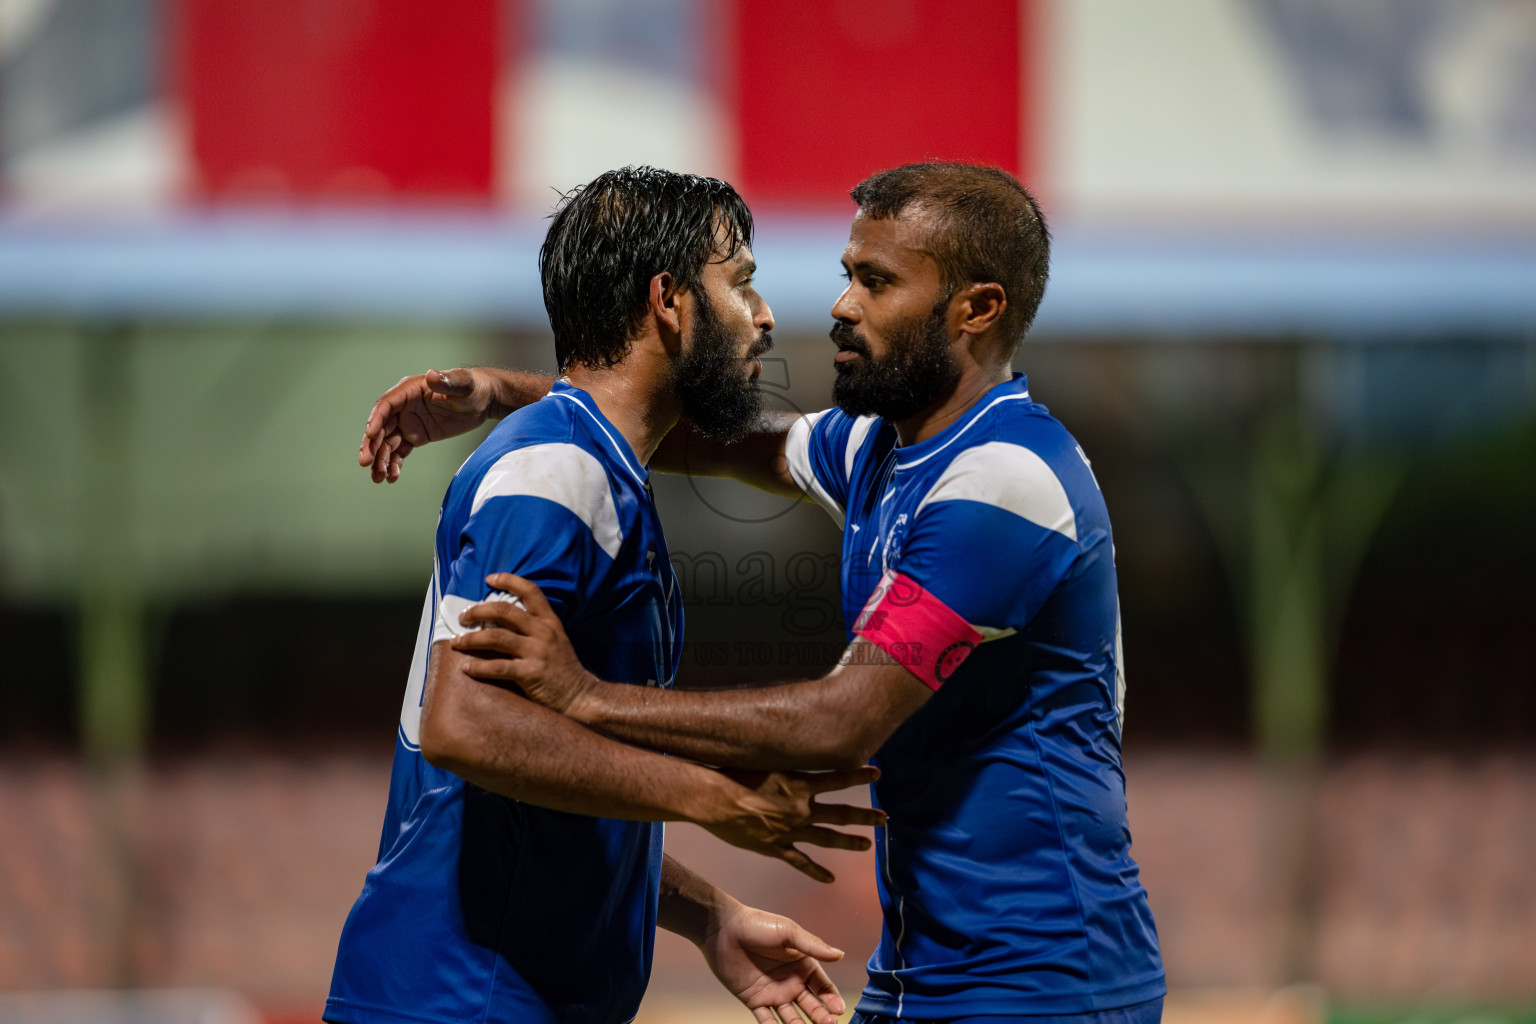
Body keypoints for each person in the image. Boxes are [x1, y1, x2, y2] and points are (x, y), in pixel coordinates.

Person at [362, 162, 1165, 1023]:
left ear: (978, 309)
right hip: (927, 971)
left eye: (877, 281)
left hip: (1044, 978)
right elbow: (717, 438)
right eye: (847, 275)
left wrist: (587, 698)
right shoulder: (878, 458)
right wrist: (500, 390)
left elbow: (838, 721)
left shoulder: (1005, 480)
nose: (839, 306)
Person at [328, 166, 884, 1024]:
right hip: (459, 1004)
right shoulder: (556, 473)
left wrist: (708, 917)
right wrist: (713, 794)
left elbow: (545, 787)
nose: (766, 316)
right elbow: (465, 723)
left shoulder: (590, 463)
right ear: (668, 300)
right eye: (741, 284)